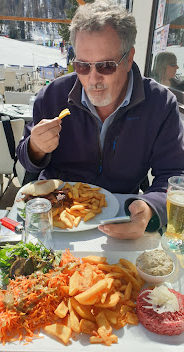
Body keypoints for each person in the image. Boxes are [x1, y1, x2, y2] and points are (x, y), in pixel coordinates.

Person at [16, 0, 184, 240]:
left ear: (128, 59)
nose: (93, 79)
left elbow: (175, 173)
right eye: (82, 65)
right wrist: (35, 148)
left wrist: (150, 207)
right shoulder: (53, 95)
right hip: (55, 219)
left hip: (122, 218)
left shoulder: (159, 104)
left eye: (106, 66)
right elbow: (26, 160)